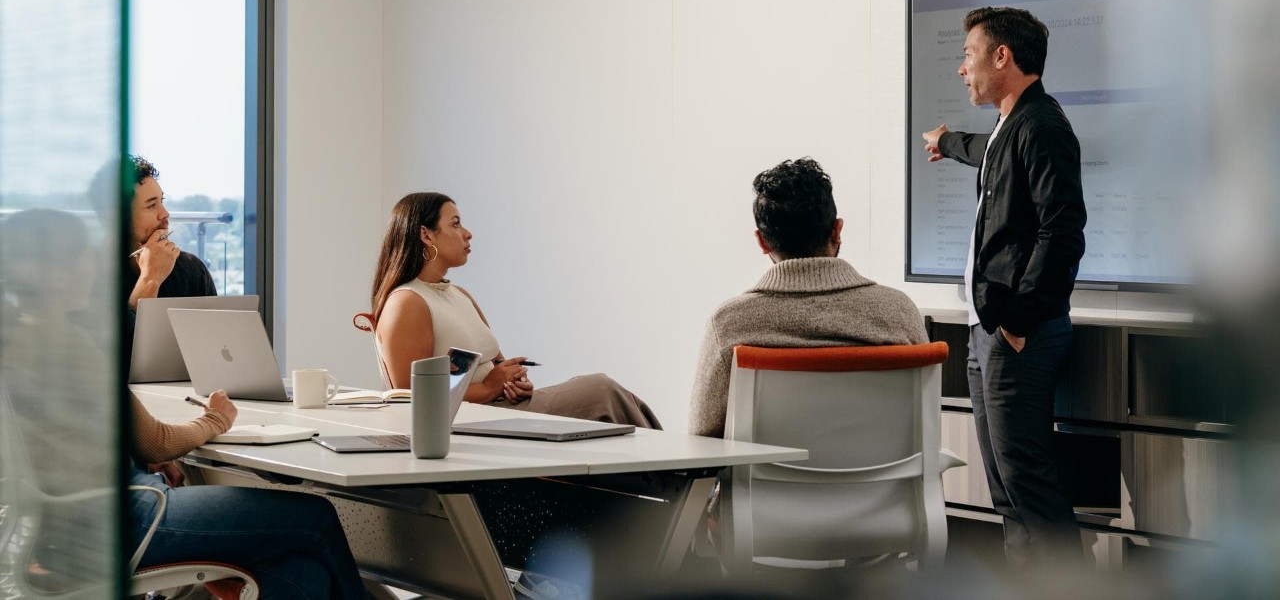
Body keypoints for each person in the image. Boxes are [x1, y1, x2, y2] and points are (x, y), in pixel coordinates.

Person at [1, 209, 370, 599]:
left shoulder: (18, 340)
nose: (93, 268)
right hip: (129, 518)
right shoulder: (66, 341)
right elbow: (155, 442)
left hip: (61, 532)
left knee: (301, 573)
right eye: (86, 258)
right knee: (317, 518)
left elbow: (70, 435)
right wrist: (215, 418)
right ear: (60, 272)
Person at [921, 6, 1086, 566]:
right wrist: (946, 142)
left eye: (967, 55)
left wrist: (1018, 318)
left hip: (1019, 332)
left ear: (1002, 56)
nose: (961, 68)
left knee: (1029, 489)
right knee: (1007, 493)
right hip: (989, 329)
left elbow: (1061, 233)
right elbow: (986, 154)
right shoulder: (1007, 126)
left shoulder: (1042, 126)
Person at [362, 192, 661, 428]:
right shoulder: (407, 302)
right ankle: (678, 476)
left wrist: (515, 382)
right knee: (601, 390)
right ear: (426, 235)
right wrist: (490, 388)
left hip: (501, 408)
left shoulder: (458, 294)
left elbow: (497, 366)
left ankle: (676, 478)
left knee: (608, 393)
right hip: (472, 422)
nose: (467, 233)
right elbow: (410, 397)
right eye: (455, 223)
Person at [688, 158, 928, 439]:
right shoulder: (898, 312)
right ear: (837, 230)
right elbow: (923, 423)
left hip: (766, 483)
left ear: (762, 241)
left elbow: (701, 437)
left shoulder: (730, 325)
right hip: (887, 482)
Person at [89, 154, 217, 310]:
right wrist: (150, 279)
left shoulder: (191, 269)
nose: (165, 214)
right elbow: (128, 335)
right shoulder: (86, 275)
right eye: (151, 206)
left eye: (161, 201)